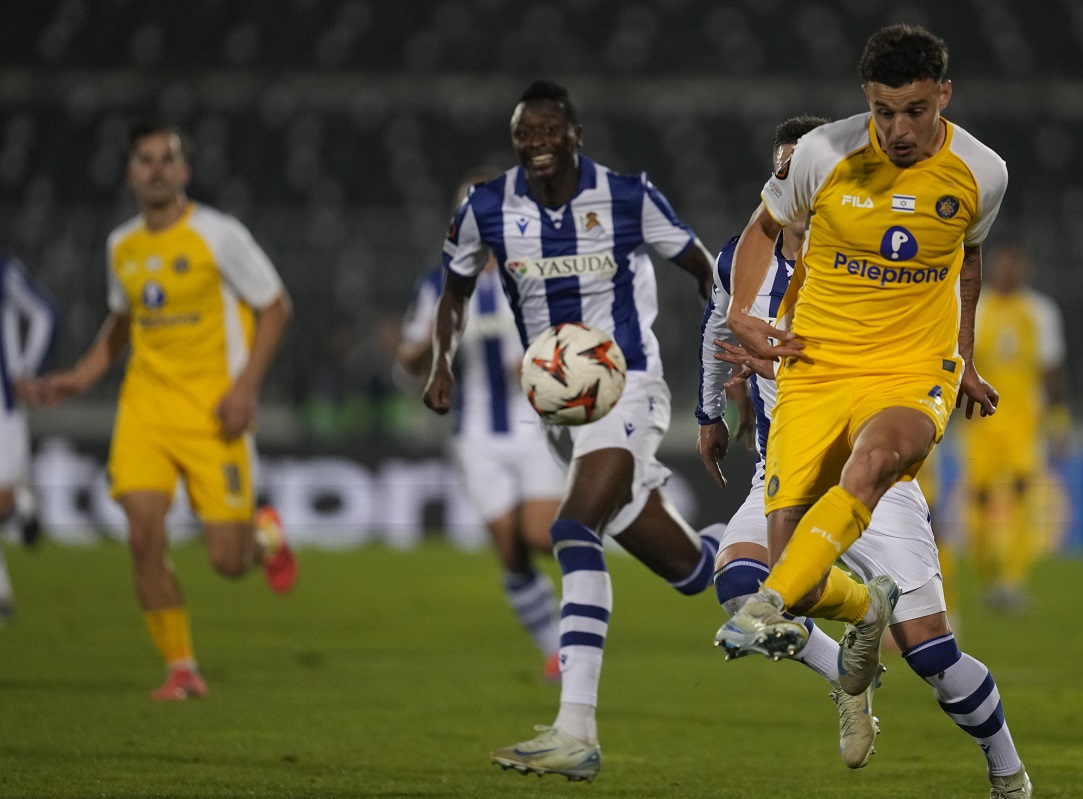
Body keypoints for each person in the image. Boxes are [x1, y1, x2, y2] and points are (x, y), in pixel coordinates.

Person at [701, 116, 1031, 792]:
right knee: (739, 586)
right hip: (786, 461)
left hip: (873, 471)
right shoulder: (744, 259)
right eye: (783, 171)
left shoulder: (870, 251)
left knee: (933, 653)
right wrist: (714, 411)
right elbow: (717, 330)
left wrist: (959, 358)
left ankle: (1008, 769)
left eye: (805, 169)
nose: (796, 183)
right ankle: (850, 672)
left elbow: (907, 325)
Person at [424, 80, 722, 783]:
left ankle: (575, 729)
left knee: (570, 531)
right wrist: (442, 363)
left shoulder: (627, 196)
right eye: (525, 133)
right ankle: (826, 606)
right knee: (697, 573)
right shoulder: (486, 206)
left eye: (549, 129)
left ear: (576, 134)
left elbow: (706, 269)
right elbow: (455, 292)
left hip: (630, 386)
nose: (537, 142)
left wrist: (728, 361)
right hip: (560, 415)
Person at [22, 122, 296, 700]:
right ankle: (181, 668)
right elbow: (123, 322)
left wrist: (245, 389)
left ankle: (265, 537)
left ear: (184, 172)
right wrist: (78, 377)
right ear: (130, 173)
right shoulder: (121, 245)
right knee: (144, 539)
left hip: (213, 412)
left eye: (166, 159)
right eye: (144, 160)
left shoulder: (218, 235)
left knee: (228, 560)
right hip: (144, 410)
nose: (155, 169)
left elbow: (275, 307)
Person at [398, 171, 566, 682]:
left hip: (530, 429)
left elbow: (573, 346)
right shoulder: (439, 285)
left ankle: (581, 613)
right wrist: (432, 342)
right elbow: (408, 360)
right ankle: (557, 651)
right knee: (508, 547)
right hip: (476, 436)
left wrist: (542, 365)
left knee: (541, 535)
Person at [959, 238, 1068, 612]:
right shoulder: (975, 306)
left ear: (1026, 269)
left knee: (1023, 494)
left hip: (1025, 424)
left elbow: (1051, 371)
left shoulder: (1041, 311)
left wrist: (1059, 420)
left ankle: (1014, 580)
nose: (1010, 271)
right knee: (979, 501)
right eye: (1004, 264)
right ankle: (990, 577)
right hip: (981, 424)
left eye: (1016, 264)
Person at [0, 254, 58, 623]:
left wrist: (27, 368)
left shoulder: (5, 272)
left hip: (2, 408)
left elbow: (45, 312)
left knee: (1, 499)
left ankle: (20, 504)